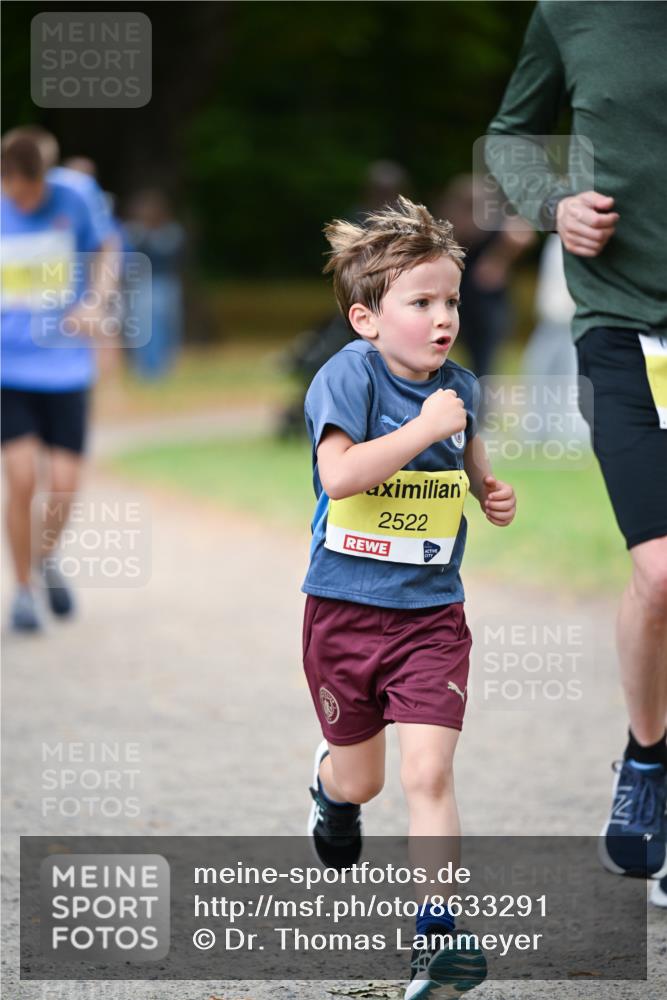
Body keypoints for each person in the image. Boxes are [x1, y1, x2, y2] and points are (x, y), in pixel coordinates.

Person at [301, 197, 516, 997]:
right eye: (420, 302)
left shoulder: (458, 389)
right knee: (365, 781)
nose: (442, 318)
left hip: (430, 616)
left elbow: (470, 461)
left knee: (428, 775)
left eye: (450, 301)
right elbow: (340, 476)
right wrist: (425, 428)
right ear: (366, 318)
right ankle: (329, 792)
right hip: (344, 612)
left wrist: (489, 492)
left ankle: (439, 938)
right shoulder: (345, 377)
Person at [484, 1, 667, 899]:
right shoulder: (574, 12)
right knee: (663, 572)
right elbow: (509, 135)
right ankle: (647, 762)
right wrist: (555, 205)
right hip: (625, 330)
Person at [1, 133, 107, 630]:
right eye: (20, 192)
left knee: (63, 487)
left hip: (66, 366)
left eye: (36, 189)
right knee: (22, 479)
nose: (30, 201)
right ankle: (23, 593)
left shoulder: (75, 194)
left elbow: (106, 248)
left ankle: (45, 559)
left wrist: (96, 301)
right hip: (10, 369)